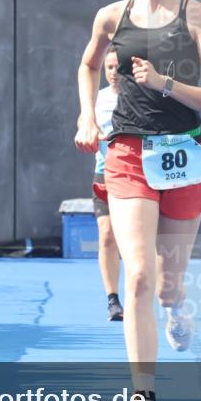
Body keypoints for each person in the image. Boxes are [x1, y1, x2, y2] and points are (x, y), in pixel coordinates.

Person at [74, 0, 201, 401]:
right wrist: (86, 115)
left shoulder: (199, 17)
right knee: (136, 274)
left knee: (165, 282)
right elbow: (87, 65)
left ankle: (177, 303)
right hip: (127, 155)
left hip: (182, 152)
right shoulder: (112, 16)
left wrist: (165, 83)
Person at [92, 46, 124, 322]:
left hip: (137, 176)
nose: (114, 73)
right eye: (109, 68)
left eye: (118, 67)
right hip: (104, 175)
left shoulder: (142, 98)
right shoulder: (97, 98)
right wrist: (87, 130)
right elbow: (84, 123)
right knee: (107, 235)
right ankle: (113, 300)